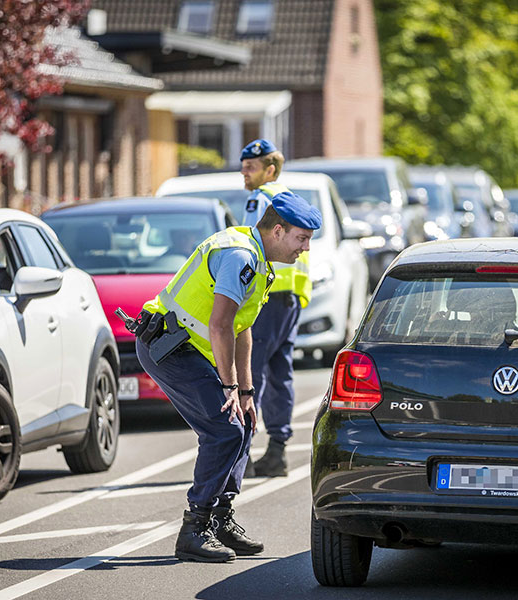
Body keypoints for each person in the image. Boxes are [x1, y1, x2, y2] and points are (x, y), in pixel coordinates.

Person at [136, 191, 321, 563]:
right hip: (169, 348)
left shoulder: (257, 256)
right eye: (302, 238)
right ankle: (194, 528)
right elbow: (219, 326)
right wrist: (229, 386)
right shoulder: (240, 255)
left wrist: (247, 393)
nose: (305, 249)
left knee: (244, 422)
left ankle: (220, 518)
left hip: (191, 348)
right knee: (224, 430)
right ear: (279, 231)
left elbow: (241, 329)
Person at [239, 139, 312, 477]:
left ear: (269, 169)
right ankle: (278, 451)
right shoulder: (290, 199)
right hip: (291, 298)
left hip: (267, 297)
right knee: (280, 374)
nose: (244, 174)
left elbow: (252, 245)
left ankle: (242, 452)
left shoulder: (261, 200)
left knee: (250, 372)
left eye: (250, 168)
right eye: (243, 167)